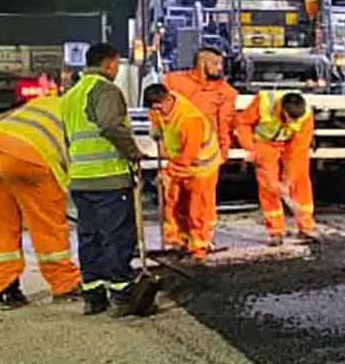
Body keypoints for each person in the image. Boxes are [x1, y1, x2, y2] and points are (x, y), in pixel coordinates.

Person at [59, 43, 149, 316]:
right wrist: (133, 152)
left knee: (90, 237)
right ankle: (122, 294)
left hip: (80, 178)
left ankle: (94, 295)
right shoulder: (106, 90)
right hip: (108, 177)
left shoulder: (71, 95)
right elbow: (110, 125)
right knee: (117, 236)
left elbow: (68, 137)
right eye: (117, 64)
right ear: (110, 64)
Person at [0, 91, 81, 308]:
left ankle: (6, 289)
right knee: (46, 224)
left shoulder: (44, 102)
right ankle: (64, 283)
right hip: (29, 157)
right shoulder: (78, 111)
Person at [144, 83, 221, 261]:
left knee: (197, 208)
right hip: (180, 161)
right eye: (154, 107)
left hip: (202, 166)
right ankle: (180, 240)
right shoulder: (157, 111)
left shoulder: (190, 119)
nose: (158, 111)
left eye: (160, 106)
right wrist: (157, 135)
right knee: (175, 202)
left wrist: (168, 172)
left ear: (168, 98)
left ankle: (200, 246)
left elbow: (188, 155)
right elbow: (159, 131)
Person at [236, 89, 315, 245]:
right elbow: (242, 123)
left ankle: (306, 227)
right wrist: (250, 148)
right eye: (289, 118)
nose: (292, 123)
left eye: (295, 120)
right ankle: (276, 231)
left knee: (300, 180)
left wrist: (287, 181)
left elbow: (298, 151)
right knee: (269, 185)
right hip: (265, 144)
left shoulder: (305, 116)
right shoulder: (264, 102)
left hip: (290, 143)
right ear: (282, 109)